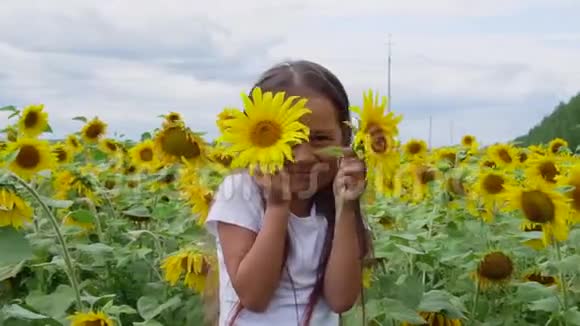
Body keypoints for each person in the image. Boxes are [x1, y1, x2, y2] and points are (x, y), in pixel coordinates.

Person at [205, 60, 371, 326]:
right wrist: (278, 205)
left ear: (344, 139)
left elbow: (341, 299)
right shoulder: (241, 193)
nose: (303, 157)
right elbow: (254, 297)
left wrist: (346, 208)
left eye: (320, 139)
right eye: (288, 140)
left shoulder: (336, 202)